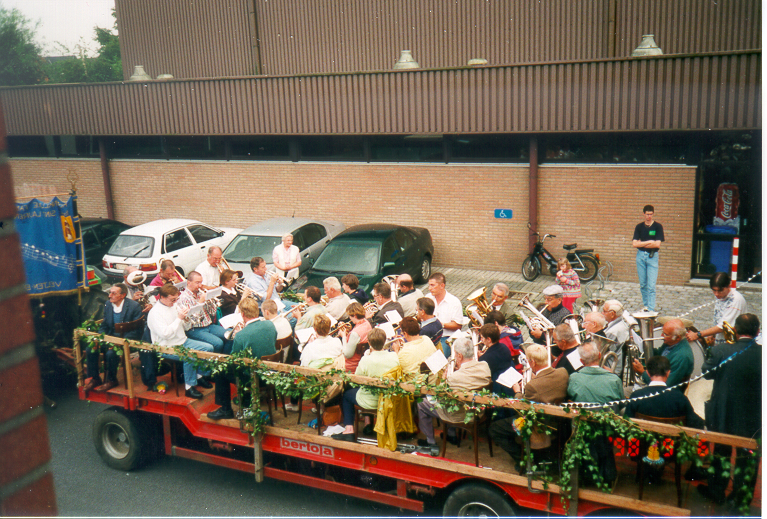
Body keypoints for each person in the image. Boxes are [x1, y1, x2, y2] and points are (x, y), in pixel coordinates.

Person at [697, 313, 761, 506]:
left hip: (723, 411)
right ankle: (741, 497)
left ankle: (717, 490)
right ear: (758, 332)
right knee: (748, 456)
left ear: (735, 330)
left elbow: (706, 374)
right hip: (753, 415)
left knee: (721, 450)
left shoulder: (722, 350)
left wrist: (712, 350)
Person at [489, 344, 569, 463]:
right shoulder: (563, 372)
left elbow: (522, 405)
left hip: (536, 423)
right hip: (557, 421)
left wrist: (517, 391)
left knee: (495, 428)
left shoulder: (533, 386)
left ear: (532, 362)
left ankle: (522, 459)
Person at [206, 298, 277, 420]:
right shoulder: (270, 324)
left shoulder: (241, 335)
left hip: (255, 378)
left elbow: (235, 360)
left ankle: (225, 409)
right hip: (270, 373)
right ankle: (246, 399)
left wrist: (239, 336)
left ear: (242, 314)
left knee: (220, 370)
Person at [416, 337, 491, 449]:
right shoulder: (485, 366)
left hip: (460, 414)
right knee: (452, 400)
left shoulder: (454, 378)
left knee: (421, 403)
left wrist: (444, 378)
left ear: (460, 356)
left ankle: (430, 441)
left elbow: (440, 395)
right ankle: (451, 435)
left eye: (455, 354)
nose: (455, 357)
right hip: (477, 411)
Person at [567, 340, 623, 485]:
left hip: (583, 425)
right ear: (599, 355)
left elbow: (572, 397)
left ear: (581, 361)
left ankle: (588, 475)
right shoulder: (613, 378)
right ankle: (608, 474)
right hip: (607, 426)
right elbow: (621, 401)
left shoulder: (574, 377)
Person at [146, 285, 214, 399]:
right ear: (162, 297)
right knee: (190, 356)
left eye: (176, 299)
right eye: (172, 299)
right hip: (165, 347)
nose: (175, 302)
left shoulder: (173, 306)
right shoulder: (155, 313)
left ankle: (199, 376)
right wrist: (179, 318)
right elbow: (165, 334)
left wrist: (187, 320)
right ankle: (189, 388)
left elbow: (186, 328)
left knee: (209, 348)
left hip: (182, 341)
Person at [332, 329, 400, 442]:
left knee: (347, 395)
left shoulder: (366, 359)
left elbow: (357, 379)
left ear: (369, 343)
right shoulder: (394, 356)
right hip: (387, 399)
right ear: (384, 342)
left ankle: (349, 429)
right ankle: (368, 423)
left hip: (370, 400)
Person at [83, 283, 143, 392]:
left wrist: (119, 342)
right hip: (110, 339)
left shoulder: (134, 306)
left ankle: (111, 380)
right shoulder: (108, 305)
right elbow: (105, 325)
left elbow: (137, 331)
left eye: (113, 293)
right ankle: (95, 379)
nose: (109, 295)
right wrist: (99, 338)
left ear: (123, 295)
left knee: (111, 353)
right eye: (110, 292)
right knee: (90, 349)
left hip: (126, 340)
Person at [624, 356, 703, 427]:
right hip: (672, 442)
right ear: (668, 373)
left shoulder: (636, 396)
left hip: (644, 442)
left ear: (647, 373)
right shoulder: (680, 398)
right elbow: (697, 424)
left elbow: (626, 424)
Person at [685, 272, 747, 345]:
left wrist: (697, 334)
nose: (716, 294)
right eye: (714, 290)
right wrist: (713, 334)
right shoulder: (721, 296)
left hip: (733, 345)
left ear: (728, 286)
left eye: (720, 291)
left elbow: (723, 327)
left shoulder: (735, 300)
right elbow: (719, 318)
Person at [632, 319, 694, 390]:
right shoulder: (670, 343)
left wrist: (643, 373)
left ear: (677, 337)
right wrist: (643, 344)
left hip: (665, 394)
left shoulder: (682, 357)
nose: (661, 335)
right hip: (655, 379)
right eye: (662, 332)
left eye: (665, 334)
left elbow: (665, 385)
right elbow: (659, 354)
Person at [176, 271, 229, 354]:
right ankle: (214, 363)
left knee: (231, 334)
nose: (200, 285)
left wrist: (211, 301)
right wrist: (201, 302)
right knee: (218, 343)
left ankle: (226, 360)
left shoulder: (201, 293)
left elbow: (212, 313)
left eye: (201, 282)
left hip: (209, 325)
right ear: (189, 283)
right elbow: (192, 319)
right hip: (195, 329)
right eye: (197, 283)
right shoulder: (184, 298)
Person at [632, 204, 664, 311]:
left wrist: (642, 243)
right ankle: (646, 305)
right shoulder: (639, 227)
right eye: (647, 214)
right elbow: (634, 244)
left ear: (653, 214)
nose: (649, 216)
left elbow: (657, 244)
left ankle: (651, 309)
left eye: (651, 214)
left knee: (651, 286)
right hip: (640, 256)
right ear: (643, 214)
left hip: (652, 256)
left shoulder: (658, 227)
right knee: (643, 284)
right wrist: (650, 241)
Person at [426, 273, 463, 357]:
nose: (429, 288)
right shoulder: (427, 298)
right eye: (429, 285)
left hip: (445, 338)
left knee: (439, 360)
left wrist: (439, 324)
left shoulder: (454, 302)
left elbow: (458, 325)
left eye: (432, 285)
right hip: (428, 337)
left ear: (442, 286)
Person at [391, 316, 436, 381]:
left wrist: (396, 351)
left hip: (415, 387)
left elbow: (397, 368)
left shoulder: (404, 353)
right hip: (433, 380)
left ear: (405, 333)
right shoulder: (426, 339)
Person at [339, 302, 372, 373]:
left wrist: (344, 336)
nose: (350, 318)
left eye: (350, 316)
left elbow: (348, 355)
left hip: (351, 366)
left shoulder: (355, 334)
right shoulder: (366, 323)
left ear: (355, 315)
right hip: (361, 360)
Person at [602, 299, 629, 373]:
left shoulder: (612, 332)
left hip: (610, 369)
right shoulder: (622, 323)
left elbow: (601, 354)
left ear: (612, 314)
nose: (602, 313)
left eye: (604, 311)